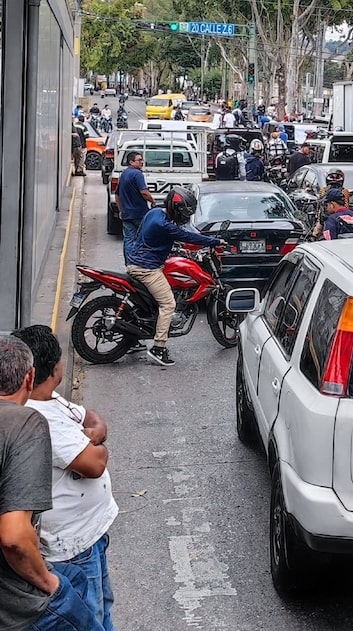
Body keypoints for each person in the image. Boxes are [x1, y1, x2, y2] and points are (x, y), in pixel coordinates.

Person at [12, 325, 118, 630]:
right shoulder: (39, 419)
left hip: (89, 534)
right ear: (57, 368)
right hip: (71, 548)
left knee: (102, 605)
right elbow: (94, 464)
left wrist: (95, 432)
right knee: (90, 614)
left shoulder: (50, 401)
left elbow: (91, 417)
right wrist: (97, 443)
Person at [126, 187, 224, 366]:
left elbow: (146, 235)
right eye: (183, 212)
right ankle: (158, 348)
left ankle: (132, 338)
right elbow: (188, 236)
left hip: (137, 261)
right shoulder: (166, 226)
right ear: (175, 208)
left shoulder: (154, 213)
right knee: (168, 303)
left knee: (154, 302)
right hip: (147, 269)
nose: (185, 216)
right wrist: (215, 241)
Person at [115, 151, 156, 266]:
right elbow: (144, 192)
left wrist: (121, 210)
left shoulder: (124, 174)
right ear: (131, 162)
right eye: (139, 160)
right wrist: (153, 201)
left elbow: (117, 194)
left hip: (127, 214)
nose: (142, 162)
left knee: (129, 240)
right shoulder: (137, 174)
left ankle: (129, 264)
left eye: (142, 160)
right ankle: (143, 263)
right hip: (140, 214)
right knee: (146, 239)